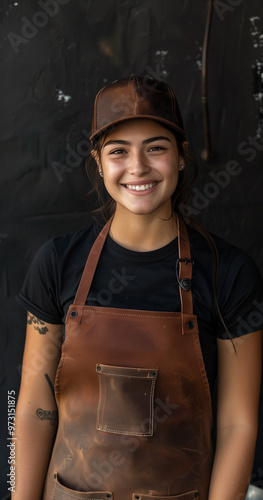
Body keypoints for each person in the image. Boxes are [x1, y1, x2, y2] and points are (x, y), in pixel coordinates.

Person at [14, 75, 262, 500]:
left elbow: (239, 423)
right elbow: (37, 405)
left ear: (181, 157)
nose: (137, 167)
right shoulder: (57, 264)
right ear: (97, 161)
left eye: (156, 147)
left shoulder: (228, 273)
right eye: (118, 151)